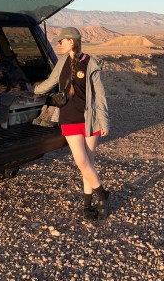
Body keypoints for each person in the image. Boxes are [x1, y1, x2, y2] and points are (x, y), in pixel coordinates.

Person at [31, 27, 110, 219]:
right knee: (82, 161)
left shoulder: (91, 63)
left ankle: (87, 205)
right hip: (68, 119)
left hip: (90, 120)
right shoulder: (62, 62)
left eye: (61, 41)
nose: (58, 44)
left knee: (88, 164)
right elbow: (50, 82)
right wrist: (34, 89)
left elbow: (100, 95)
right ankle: (103, 194)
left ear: (72, 41)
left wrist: (104, 121)